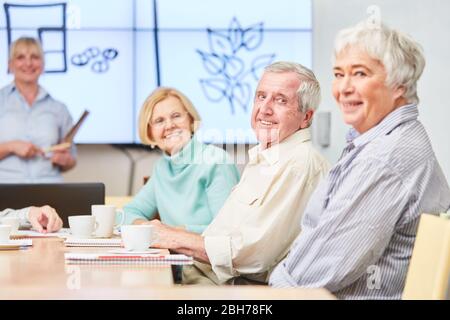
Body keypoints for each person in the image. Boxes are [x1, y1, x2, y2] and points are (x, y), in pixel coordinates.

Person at [269, 21, 450, 299]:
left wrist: (267, 290)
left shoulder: (384, 158)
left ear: (399, 84)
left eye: (360, 74)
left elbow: (310, 277)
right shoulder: (384, 140)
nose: (344, 88)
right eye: (339, 74)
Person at [146, 62, 330, 285]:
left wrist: (173, 237)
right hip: (197, 275)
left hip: (226, 289)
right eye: (261, 97)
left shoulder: (298, 164)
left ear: (306, 117)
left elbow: (250, 255)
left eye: (281, 100)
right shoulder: (267, 158)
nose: (265, 109)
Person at [122, 87, 240, 234]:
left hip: (206, 256)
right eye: (159, 121)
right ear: (150, 133)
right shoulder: (162, 168)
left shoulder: (216, 161)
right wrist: (147, 228)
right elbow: (128, 213)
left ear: (191, 121)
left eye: (176, 116)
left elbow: (228, 231)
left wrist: (175, 232)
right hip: (175, 255)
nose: (170, 125)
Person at [0, 37, 76, 182]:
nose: (28, 63)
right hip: (5, 191)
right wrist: (11, 146)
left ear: (42, 64)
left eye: (34, 57)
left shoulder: (59, 109)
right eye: (20, 57)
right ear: (10, 65)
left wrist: (64, 159)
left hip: (49, 189)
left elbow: (72, 160)